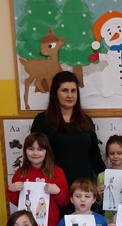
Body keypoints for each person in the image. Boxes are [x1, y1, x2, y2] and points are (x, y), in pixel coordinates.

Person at [30, 71, 105, 214]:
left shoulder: (86, 121)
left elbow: (94, 155)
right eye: (64, 90)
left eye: (73, 91)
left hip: (83, 191)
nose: (70, 95)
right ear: (55, 93)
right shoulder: (42, 121)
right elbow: (34, 154)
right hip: (54, 189)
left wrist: (109, 179)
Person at [6, 132, 70, 226]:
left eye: (40, 149)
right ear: (25, 151)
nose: (35, 153)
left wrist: (57, 192)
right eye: (31, 149)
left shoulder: (57, 172)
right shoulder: (20, 173)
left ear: (46, 151)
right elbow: (18, 202)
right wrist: (11, 190)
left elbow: (65, 201)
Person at [97, 135, 122, 224]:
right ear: (108, 154)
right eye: (112, 153)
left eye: (119, 153)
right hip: (108, 220)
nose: (115, 156)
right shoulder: (102, 176)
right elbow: (99, 203)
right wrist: (98, 194)